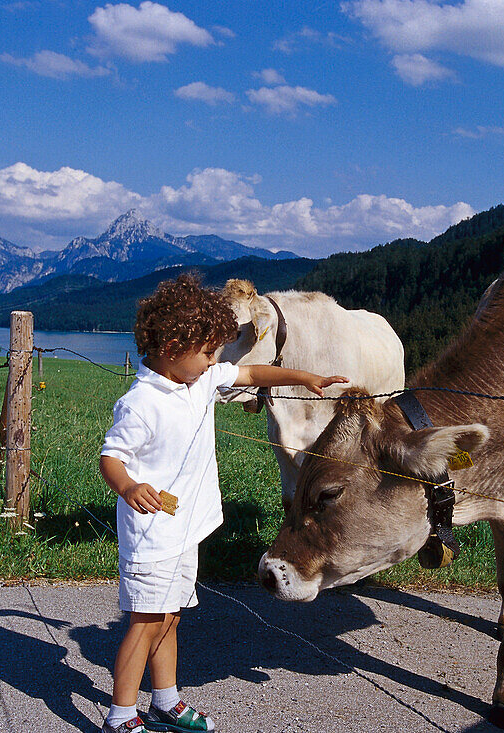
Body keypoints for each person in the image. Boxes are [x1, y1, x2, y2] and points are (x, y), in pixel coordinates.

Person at [98, 273, 347, 733]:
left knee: (170, 618)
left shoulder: (198, 378)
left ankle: (165, 702)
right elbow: (111, 457)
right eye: (210, 351)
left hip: (184, 528)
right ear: (173, 345)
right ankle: (120, 715)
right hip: (152, 535)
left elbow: (252, 373)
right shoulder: (141, 403)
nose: (217, 361)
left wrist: (305, 377)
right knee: (145, 623)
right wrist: (129, 488)